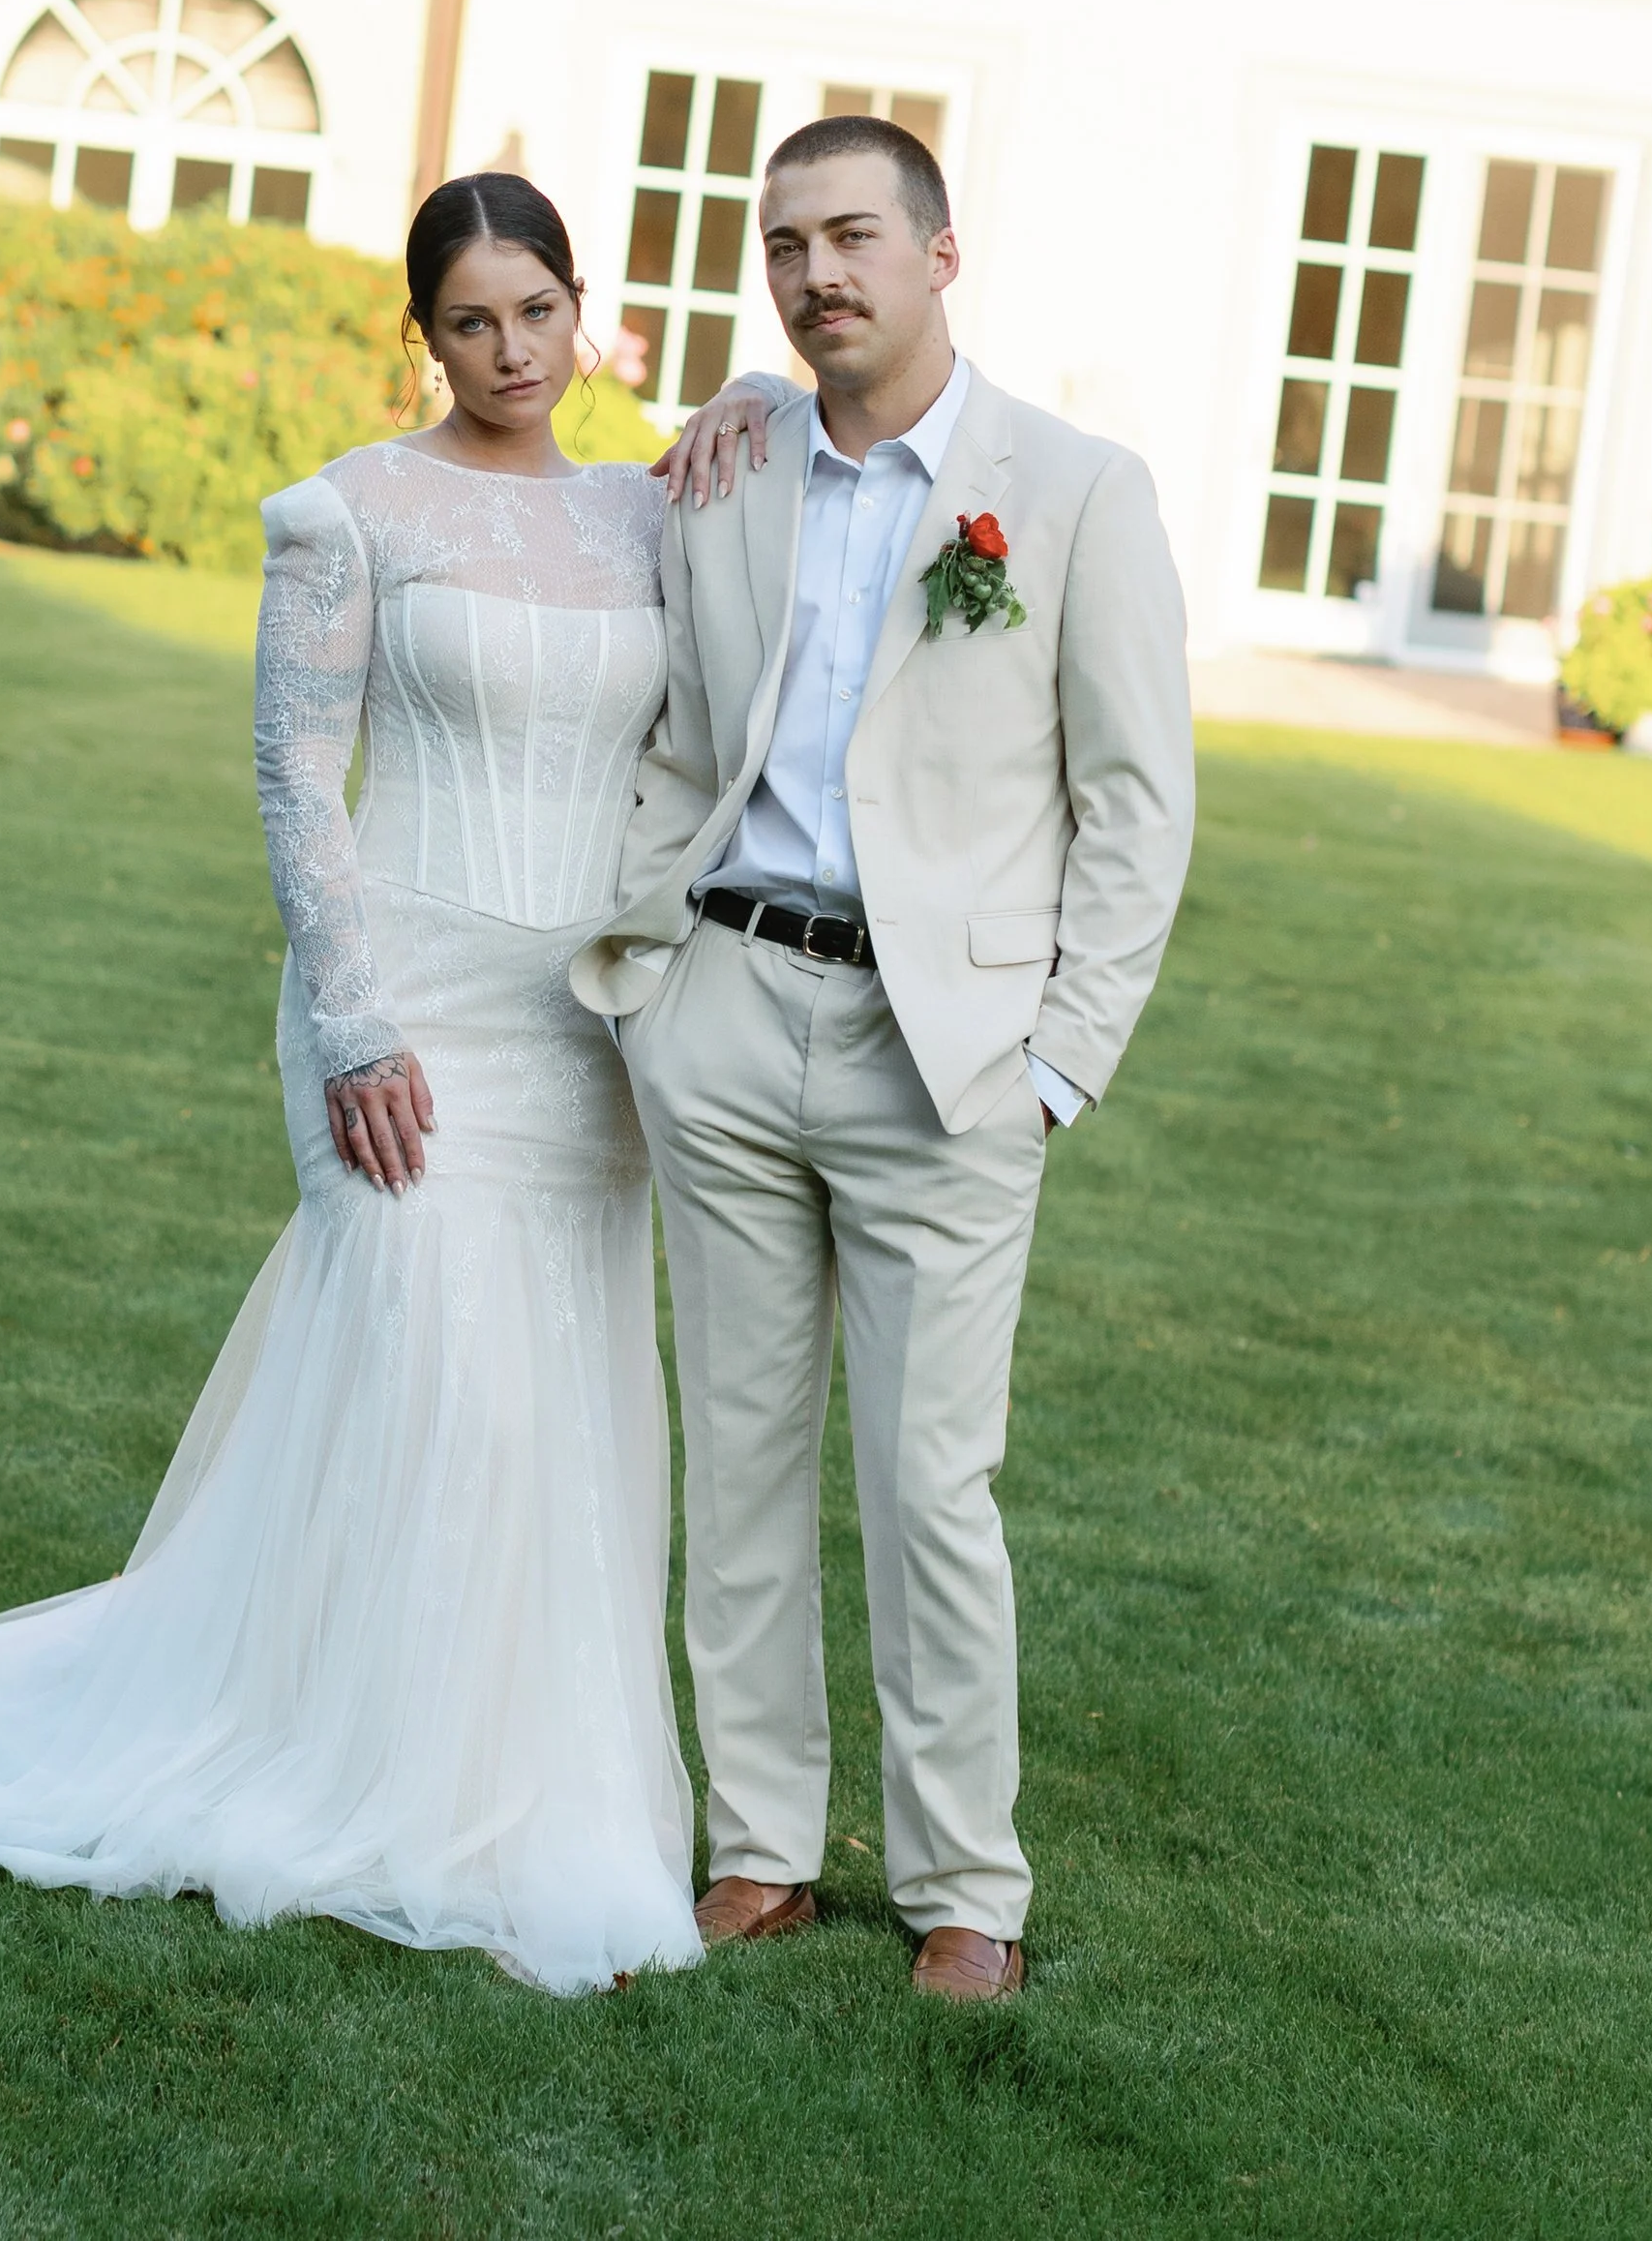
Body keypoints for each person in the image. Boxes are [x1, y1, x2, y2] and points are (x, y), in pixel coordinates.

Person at [0, 172, 775, 1996]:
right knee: (439, 1378)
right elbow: (300, 784)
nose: (511, 351)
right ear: (423, 333)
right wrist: (357, 1020)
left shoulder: (649, 513)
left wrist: (746, 401)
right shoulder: (350, 511)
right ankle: (352, 1759)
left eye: (540, 310)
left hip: (586, 1022)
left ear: (584, 308)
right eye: (471, 319)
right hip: (405, 1000)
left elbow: (786, 501)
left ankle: (518, 1781)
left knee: (559, 1393)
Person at [573, 114, 1195, 2002]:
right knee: (738, 1461)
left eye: (850, 236)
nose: (814, 269)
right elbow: (675, 722)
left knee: (930, 1484)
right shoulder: (731, 465)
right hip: (726, 1011)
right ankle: (758, 1848)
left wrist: (1057, 1062)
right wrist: (646, 969)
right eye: (783, 245)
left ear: (940, 254)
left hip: (955, 1055)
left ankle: (962, 1887)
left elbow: (1135, 802)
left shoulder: (1070, 490)